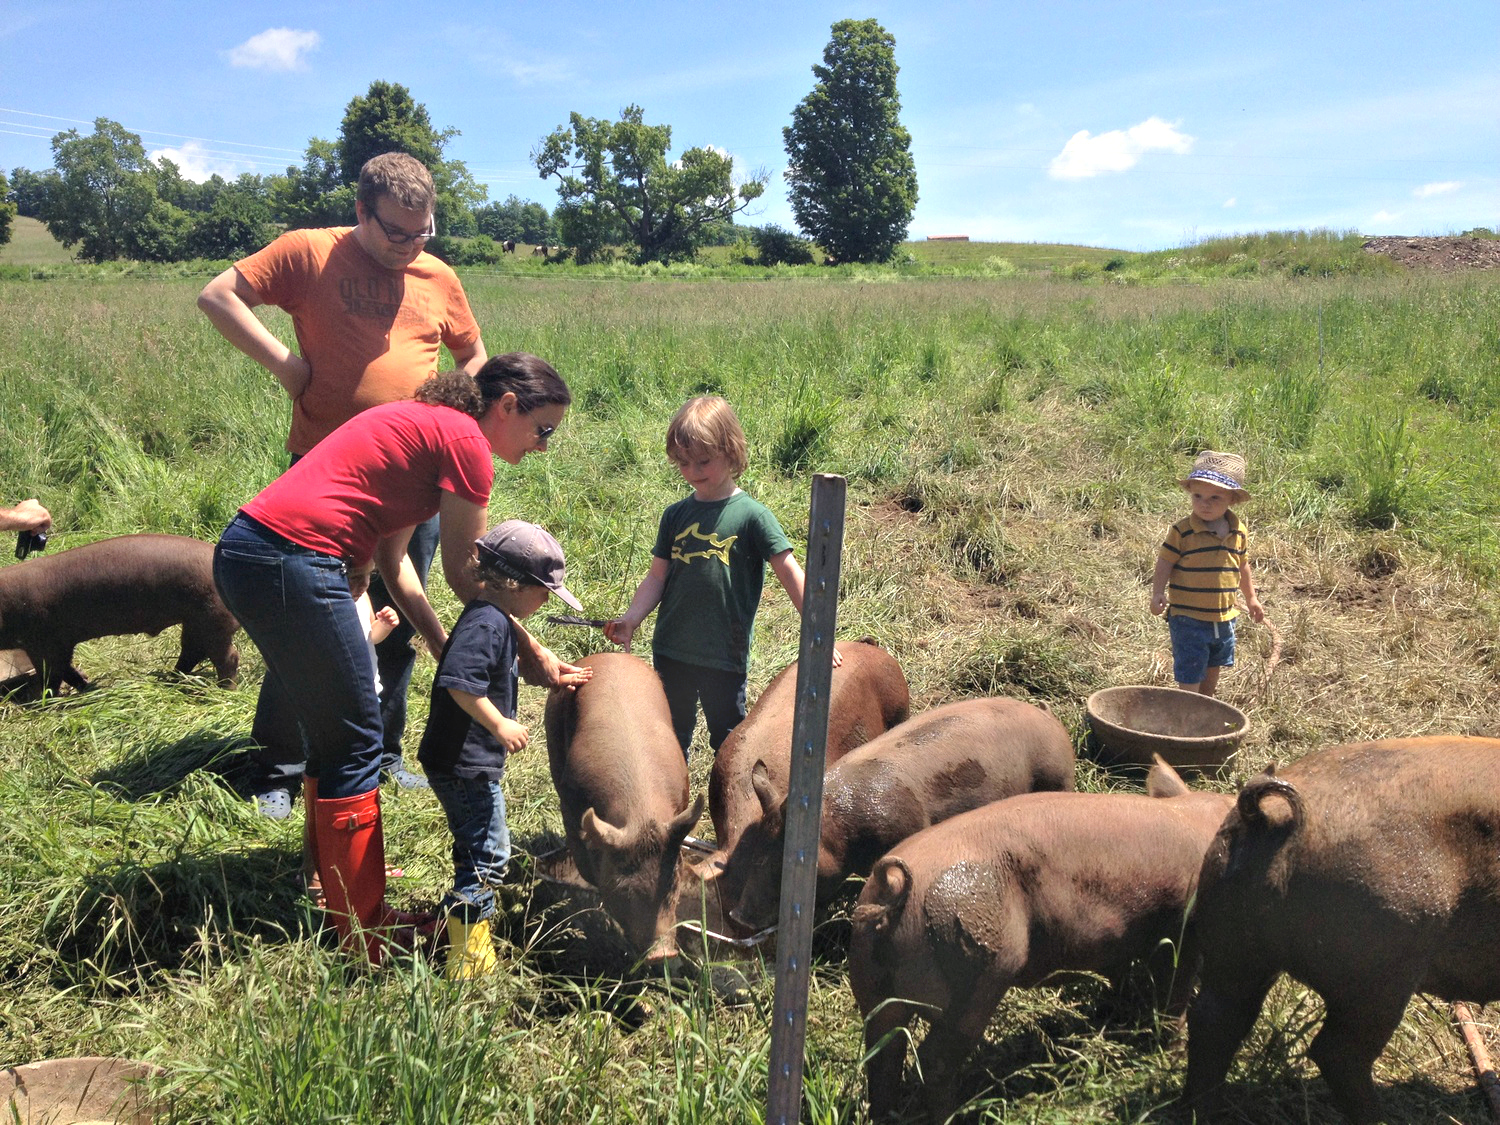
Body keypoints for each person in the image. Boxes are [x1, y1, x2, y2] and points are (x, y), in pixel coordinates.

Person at [212, 354, 588, 963]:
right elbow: (474, 578)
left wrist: (442, 645)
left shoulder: (426, 424)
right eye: (543, 429)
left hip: (250, 553)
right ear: (508, 406)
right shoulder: (466, 441)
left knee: (335, 735)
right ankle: (367, 931)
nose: (545, 446)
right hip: (294, 560)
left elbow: (396, 565)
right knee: (359, 741)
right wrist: (534, 653)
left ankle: (332, 895)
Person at [198, 151, 488, 810]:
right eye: (398, 233)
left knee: (395, 618)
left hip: (411, 481)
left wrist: (458, 412)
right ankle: (278, 763)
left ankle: (378, 753)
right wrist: (286, 366)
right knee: (309, 628)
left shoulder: (437, 275)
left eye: (424, 232)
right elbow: (218, 295)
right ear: (361, 211)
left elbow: (472, 351)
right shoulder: (309, 253)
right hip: (323, 484)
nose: (412, 246)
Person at [604, 395, 837, 756]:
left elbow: (790, 572)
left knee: (729, 743)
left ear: (731, 452)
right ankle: (673, 809)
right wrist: (632, 618)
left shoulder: (752, 516)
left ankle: (731, 806)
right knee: (667, 738)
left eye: (703, 460)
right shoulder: (674, 516)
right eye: (683, 462)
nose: (693, 470)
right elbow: (656, 577)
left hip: (723, 655)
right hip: (672, 649)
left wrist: (818, 632)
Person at [418, 520, 585, 979]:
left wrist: (555, 674)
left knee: (476, 847)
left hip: (464, 759)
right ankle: (468, 962)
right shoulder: (486, 625)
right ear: (514, 584)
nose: (548, 600)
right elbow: (457, 681)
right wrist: (500, 723)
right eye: (544, 590)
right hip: (465, 762)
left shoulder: (495, 617)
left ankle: (463, 936)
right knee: (489, 855)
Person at [1149, 450, 1265, 697]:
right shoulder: (1183, 531)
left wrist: (1252, 598)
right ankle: (1189, 708)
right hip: (1188, 616)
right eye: (1198, 496)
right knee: (1190, 666)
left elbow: (1242, 565)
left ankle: (1206, 704)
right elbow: (1164, 561)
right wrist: (1158, 592)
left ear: (1231, 500)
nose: (1205, 503)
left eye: (1215, 497)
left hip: (1224, 616)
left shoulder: (1239, 530)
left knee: (1215, 663)